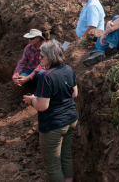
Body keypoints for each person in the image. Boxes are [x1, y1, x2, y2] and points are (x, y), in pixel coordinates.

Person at [23, 40, 78, 182]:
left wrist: (32, 100)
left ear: (51, 56)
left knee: (53, 165)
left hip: (53, 125)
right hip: (70, 120)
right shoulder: (68, 69)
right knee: (66, 157)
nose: (40, 59)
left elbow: (42, 106)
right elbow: (74, 94)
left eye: (42, 56)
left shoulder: (45, 76)